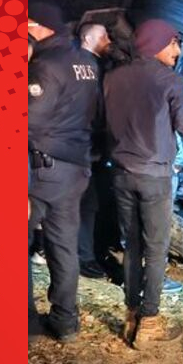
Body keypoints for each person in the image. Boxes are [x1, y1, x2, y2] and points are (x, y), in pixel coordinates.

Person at [104, 19, 183, 347]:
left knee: (132, 247)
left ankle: (130, 316)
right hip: (154, 175)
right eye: (173, 43)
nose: (177, 51)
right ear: (157, 43)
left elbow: (103, 123)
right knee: (156, 249)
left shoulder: (113, 78)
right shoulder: (170, 81)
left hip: (121, 173)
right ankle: (150, 320)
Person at [27, 2, 103, 343]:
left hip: (43, 171)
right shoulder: (87, 63)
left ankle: (27, 323)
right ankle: (66, 320)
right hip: (76, 169)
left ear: (37, 26)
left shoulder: (44, 65)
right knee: (63, 245)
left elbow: (31, 120)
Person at [75, 22, 113, 280]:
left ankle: (90, 252)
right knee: (86, 204)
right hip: (84, 149)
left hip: (92, 147)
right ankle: (84, 256)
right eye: (104, 36)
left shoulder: (97, 66)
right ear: (88, 39)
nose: (109, 40)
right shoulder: (84, 68)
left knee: (92, 203)